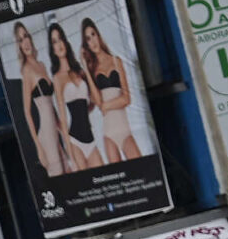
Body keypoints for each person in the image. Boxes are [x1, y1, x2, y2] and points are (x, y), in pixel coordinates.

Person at [79, 17, 144, 162]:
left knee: (141, 170)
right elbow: (97, 101)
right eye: (88, 39)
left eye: (93, 35)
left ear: (98, 35)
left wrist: (106, 105)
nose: (92, 41)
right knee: (119, 178)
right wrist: (86, 69)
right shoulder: (92, 70)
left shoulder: (116, 61)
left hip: (125, 131)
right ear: (86, 45)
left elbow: (127, 99)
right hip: (108, 135)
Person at [11, 21, 67, 177]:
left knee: (68, 171)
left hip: (55, 131)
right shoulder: (27, 71)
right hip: (46, 135)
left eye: (26, 36)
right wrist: (38, 147)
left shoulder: (41, 65)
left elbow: (51, 104)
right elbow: (27, 112)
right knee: (59, 175)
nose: (25, 41)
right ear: (19, 46)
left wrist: (61, 127)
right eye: (20, 40)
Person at [49, 22, 103, 171]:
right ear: (52, 48)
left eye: (60, 39)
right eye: (54, 41)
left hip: (90, 138)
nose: (59, 44)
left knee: (105, 176)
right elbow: (63, 118)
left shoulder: (79, 71)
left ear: (65, 41)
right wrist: (70, 152)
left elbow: (94, 101)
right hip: (74, 141)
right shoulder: (57, 78)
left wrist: (86, 67)